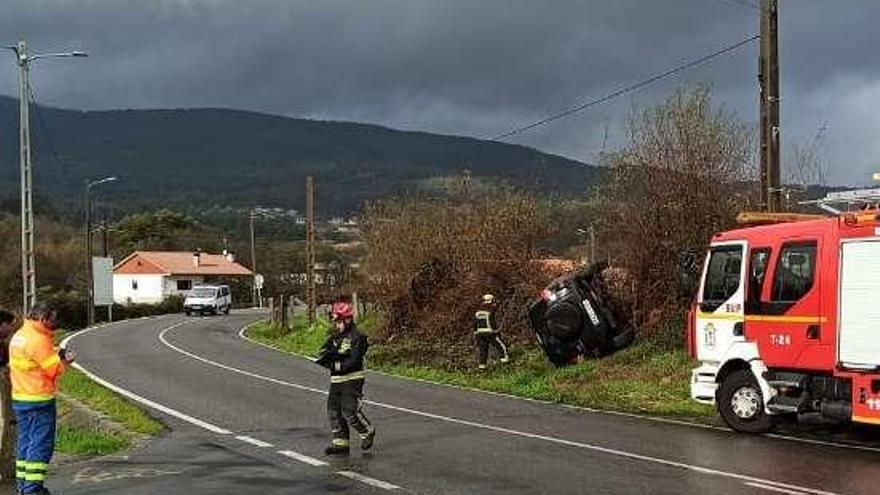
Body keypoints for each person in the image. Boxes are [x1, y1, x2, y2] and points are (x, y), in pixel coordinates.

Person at [9, 303, 74, 495]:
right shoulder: (39, 340)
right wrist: (65, 360)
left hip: (20, 398)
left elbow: (34, 360)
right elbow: (54, 370)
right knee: (40, 445)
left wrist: (53, 353)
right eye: (53, 320)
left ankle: (23, 486)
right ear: (43, 319)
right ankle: (33, 489)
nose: (55, 324)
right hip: (39, 399)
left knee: (25, 443)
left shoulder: (20, 335)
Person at [315, 301, 375, 456]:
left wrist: (337, 365)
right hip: (336, 379)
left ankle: (367, 431)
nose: (337, 325)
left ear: (348, 320)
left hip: (353, 377)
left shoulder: (358, 336)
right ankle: (341, 442)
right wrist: (327, 356)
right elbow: (323, 350)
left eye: (340, 322)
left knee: (349, 410)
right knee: (333, 410)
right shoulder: (335, 336)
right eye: (336, 322)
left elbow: (354, 360)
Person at [474, 294, 509, 370]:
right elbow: (492, 321)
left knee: (483, 351)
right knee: (501, 346)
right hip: (490, 333)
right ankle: (505, 363)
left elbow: (474, 324)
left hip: (479, 334)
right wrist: (496, 331)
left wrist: (476, 334)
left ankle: (482, 368)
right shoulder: (490, 309)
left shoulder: (478, 311)